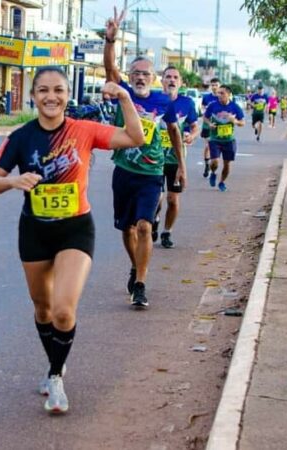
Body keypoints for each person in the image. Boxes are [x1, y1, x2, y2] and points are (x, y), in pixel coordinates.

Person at [0, 66, 144, 415]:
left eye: (58, 90)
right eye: (43, 90)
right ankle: (54, 362)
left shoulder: (82, 130)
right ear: (33, 96)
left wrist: (125, 98)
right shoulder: (21, 137)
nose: (51, 97)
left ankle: (56, 376)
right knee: (42, 308)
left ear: (68, 95)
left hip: (75, 228)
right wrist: (12, 182)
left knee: (63, 309)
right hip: (35, 230)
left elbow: (136, 137)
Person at [104, 6, 185, 308]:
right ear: (130, 76)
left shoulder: (163, 101)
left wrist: (181, 166)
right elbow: (109, 68)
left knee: (144, 226)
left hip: (152, 173)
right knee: (127, 229)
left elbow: (174, 132)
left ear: (154, 78)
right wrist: (110, 40)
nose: (140, 77)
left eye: (145, 74)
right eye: (136, 73)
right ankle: (134, 264)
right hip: (124, 170)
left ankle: (140, 283)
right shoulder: (122, 91)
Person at [155, 66, 199, 249]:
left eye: (175, 77)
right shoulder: (154, 99)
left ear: (180, 82)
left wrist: (192, 136)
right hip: (154, 158)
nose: (171, 80)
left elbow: (195, 126)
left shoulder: (187, 103)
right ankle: (155, 219)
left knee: (172, 200)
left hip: (175, 159)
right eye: (168, 77)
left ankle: (167, 232)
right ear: (162, 81)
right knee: (156, 199)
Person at [204, 85, 246, 192]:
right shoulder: (213, 106)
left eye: (222, 93)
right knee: (215, 162)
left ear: (228, 94)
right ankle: (213, 173)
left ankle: (222, 182)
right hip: (215, 139)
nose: (219, 95)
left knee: (227, 164)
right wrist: (209, 124)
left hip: (229, 140)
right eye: (218, 93)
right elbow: (205, 117)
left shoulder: (235, 107)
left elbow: (242, 123)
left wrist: (235, 121)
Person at [200, 78, 221, 177]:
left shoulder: (222, 98)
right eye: (212, 85)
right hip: (207, 125)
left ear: (219, 86)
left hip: (219, 126)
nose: (214, 87)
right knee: (208, 145)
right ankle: (207, 165)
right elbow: (202, 109)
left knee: (217, 147)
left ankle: (214, 164)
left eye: (216, 85)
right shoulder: (206, 98)